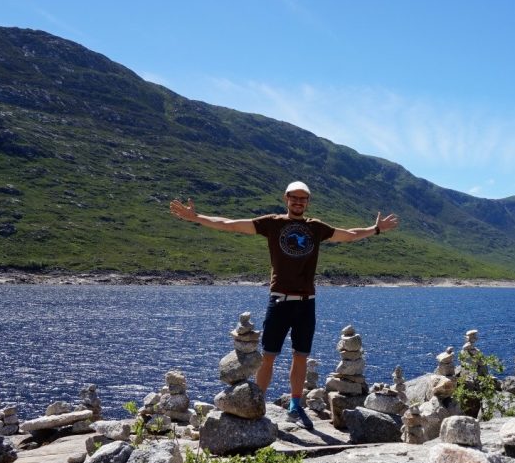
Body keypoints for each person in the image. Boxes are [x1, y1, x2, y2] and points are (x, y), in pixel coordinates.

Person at [169, 181, 399, 429]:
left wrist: (375, 229)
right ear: (286, 199)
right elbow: (231, 224)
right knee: (268, 356)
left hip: (306, 304)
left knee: (300, 356)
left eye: (303, 199)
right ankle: (258, 402)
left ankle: (295, 404)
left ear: (307, 202)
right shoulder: (273, 223)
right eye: (294, 198)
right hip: (279, 301)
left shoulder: (316, 227)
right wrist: (196, 217)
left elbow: (349, 235)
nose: (298, 202)